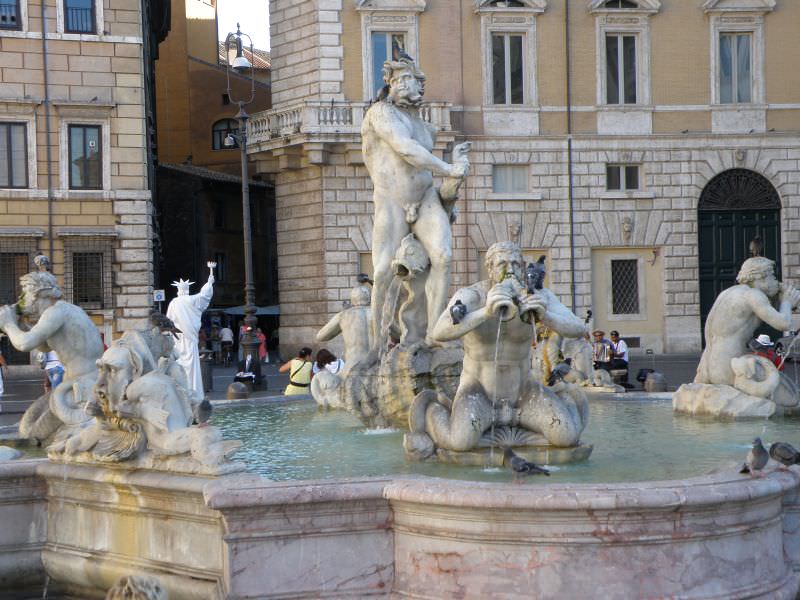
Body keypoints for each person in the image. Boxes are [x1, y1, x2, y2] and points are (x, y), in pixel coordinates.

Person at [408, 241, 589, 452]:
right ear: (490, 268)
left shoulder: (537, 296)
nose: (510, 270)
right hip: (479, 393)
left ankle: (563, 401)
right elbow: (439, 332)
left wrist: (545, 315)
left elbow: (577, 327)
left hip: (523, 393)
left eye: (515, 264)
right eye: (502, 264)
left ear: (522, 267)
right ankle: (434, 409)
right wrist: (485, 312)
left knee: (566, 436)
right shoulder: (472, 296)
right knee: (459, 442)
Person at [361, 54, 470, 346]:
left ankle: (435, 335)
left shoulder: (426, 127)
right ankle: (377, 345)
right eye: (407, 79)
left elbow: (430, 167)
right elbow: (404, 148)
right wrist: (448, 167)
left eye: (419, 81)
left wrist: (454, 173)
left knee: (443, 258)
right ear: (392, 84)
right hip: (392, 200)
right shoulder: (380, 113)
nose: (416, 86)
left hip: (425, 198)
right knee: (383, 270)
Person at [0, 269, 104, 439]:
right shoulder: (67, 310)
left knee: (32, 433)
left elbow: (24, 344)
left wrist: (8, 324)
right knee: (30, 423)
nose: (21, 299)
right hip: (81, 381)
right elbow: (43, 346)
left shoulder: (55, 313)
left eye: (24, 293)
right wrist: (22, 326)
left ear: (37, 294)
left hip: (81, 387)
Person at [695, 256, 800, 385]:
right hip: (730, 369)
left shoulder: (728, 292)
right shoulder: (753, 295)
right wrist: (787, 302)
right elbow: (784, 324)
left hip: (707, 366)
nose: (775, 281)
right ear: (761, 278)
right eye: (772, 276)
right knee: (783, 387)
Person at [166, 264, 215, 400]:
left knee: (178, 363)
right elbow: (204, 295)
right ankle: (195, 393)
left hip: (178, 339)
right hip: (190, 339)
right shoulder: (192, 300)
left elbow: (169, 321)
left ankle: (179, 392)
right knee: (192, 366)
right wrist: (209, 281)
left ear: (178, 290)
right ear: (187, 289)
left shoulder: (174, 303)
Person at [316, 283, 372, 375]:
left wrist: (341, 325)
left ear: (352, 300)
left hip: (354, 367)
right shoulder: (379, 314)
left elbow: (320, 336)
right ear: (369, 298)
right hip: (377, 365)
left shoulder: (343, 315)